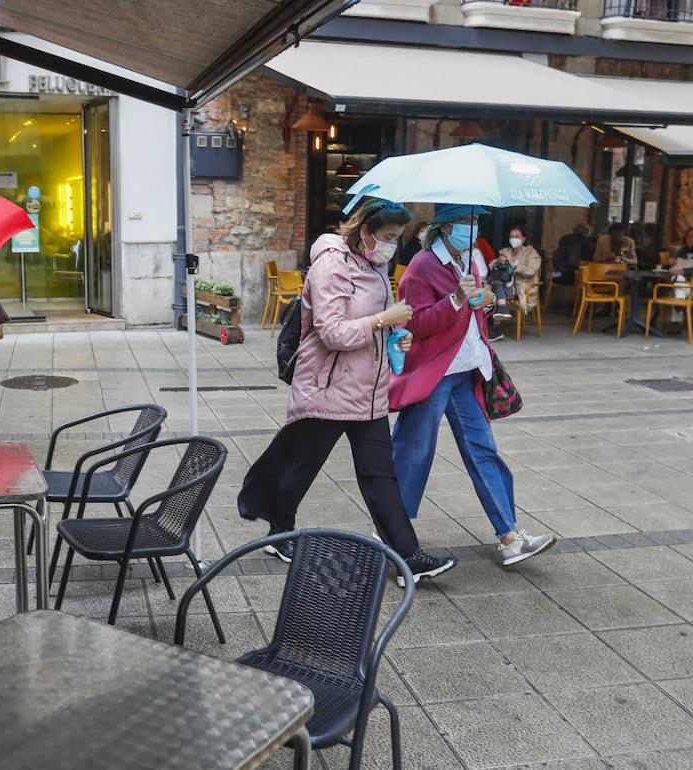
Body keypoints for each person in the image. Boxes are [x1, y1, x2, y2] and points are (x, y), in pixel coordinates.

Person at [238, 199, 456, 585]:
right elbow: (332, 331)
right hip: (328, 385)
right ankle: (278, 529)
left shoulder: (376, 263)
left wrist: (395, 335)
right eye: (388, 237)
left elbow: (377, 323)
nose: (393, 245)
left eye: (397, 238)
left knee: (379, 474)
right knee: (301, 462)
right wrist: (382, 320)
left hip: (367, 389)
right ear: (365, 231)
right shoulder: (331, 264)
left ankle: (408, 557)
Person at [390, 203, 556, 567]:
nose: (473, 227)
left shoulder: (469, 261)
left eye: (477, 220)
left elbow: (475, 313)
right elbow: (414, 324)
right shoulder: (422, 266)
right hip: (434, 374)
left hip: (467, 371)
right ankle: (391, 535)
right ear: (446, 226)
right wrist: (456, 299)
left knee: (483, 450)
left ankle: (509, 536)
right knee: (413, 452)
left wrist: (487, 303)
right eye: (467, 221)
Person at [492, 226, 543, 320]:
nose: (513, 239)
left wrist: (514, 265)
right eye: (511, 237)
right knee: (494, 285)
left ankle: (497, 325)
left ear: (523, 238)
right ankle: (502, 310)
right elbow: (491, 266)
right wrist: (498, 261)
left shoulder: (531, 253)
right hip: (504, 285)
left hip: (521, 288)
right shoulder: (506, 251)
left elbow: (531, 271)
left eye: (516, 236)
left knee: (497, 285)